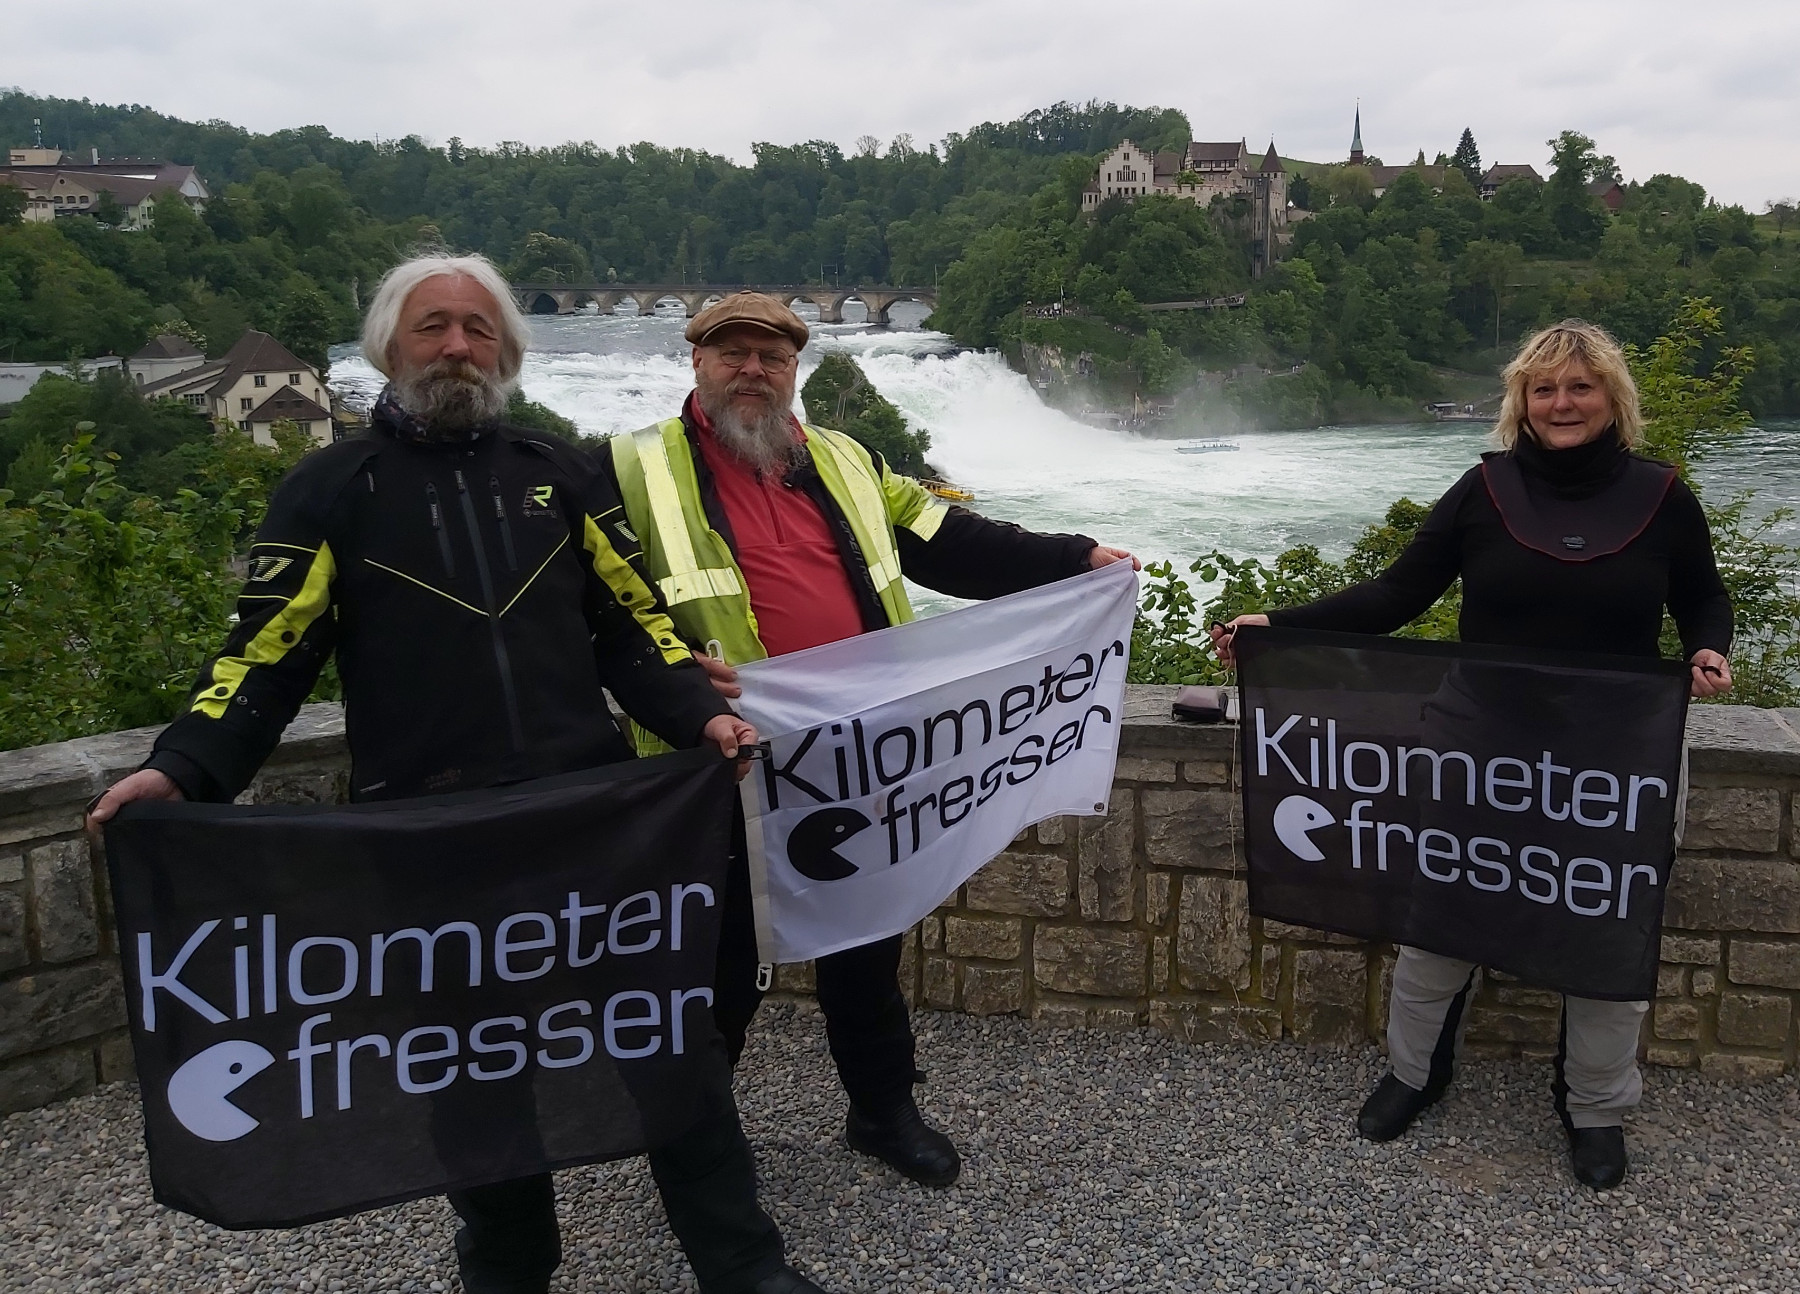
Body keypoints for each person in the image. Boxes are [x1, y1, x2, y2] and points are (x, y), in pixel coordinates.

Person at [89, 255, 837, 1294]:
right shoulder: (327, 489)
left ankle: (743, 1263)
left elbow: (636, 633)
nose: (456, 346)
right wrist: (182, 770)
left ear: (506, 353)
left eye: (478, 329)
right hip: (429, 842)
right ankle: (508, 1269)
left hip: (592, 824)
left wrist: (699, 714)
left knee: (672, 1047)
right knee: (475, 1079)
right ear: (389, 347)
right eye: (433, 326)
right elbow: (264, 659)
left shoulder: (561, 473)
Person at [600, 292, 1138, 1188]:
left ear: (794, 370)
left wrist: (1074, 560)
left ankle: (882, 1110)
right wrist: (670, 674)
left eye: (772, 356)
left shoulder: (847, 460)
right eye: (732, 352)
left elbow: (951, 541)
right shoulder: (626, 468)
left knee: (867, 940)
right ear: (695, 360)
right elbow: (594, 608)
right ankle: (694, 1147)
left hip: (853, 758)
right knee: (716, 962)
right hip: (715, 764)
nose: (752, 370)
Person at [1211, 318, 1733, 1191]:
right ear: (1521, 402)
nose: (1561, 403)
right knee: (1443, 915)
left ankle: (1594, 1106)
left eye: (1580, 386)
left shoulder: (1663, 496)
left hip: (1616, 756)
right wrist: (1280, 625)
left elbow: (1704, 597)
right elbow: (1397, 595)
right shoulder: (1483, 489)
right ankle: (1416, 1073)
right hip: (1482, 746)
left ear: (1612, 398)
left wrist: (1710, 647)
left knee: (1609, 924)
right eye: (1543, 388)